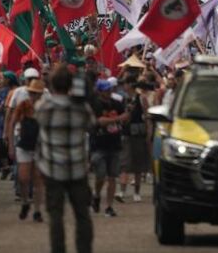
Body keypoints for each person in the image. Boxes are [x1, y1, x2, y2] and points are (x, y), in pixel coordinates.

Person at [36, 63, 94, 253]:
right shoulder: (81, 108)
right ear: (71, 85)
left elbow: (38, 119)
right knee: (82, 215)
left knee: (56, 217)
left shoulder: (44, 107)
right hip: (77, 168)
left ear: (51, 84)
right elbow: (91, 123)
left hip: (53, 170)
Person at [7, 77, 45, 222]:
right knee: (23, 178)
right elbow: (12, 123)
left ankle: (37, 210)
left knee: (38, 179)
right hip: (24, 144)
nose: (34, 96)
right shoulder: (23, 105)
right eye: (32, 93)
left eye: (36, 93)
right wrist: (11, 144)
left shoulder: (45, 107)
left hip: (39, 145)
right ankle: (24, 201)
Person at [90, 78, 128, 217]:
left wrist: (115, 119)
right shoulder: (95, 104)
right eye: (106, 90)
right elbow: (100, 121)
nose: (108, 92)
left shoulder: (116, 103)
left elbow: (126, 115)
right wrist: (117, 119)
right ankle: (96, 195)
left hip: (114, 143)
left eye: (109, 89)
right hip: (99, 144)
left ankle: (109, 206)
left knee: (112, 176)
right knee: (100, 176)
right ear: (100, 91)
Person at [117, 79, 152, 204]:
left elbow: (147, 116)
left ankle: (137, 192)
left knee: (138, 165)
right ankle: (122, 191)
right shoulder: (123, 100)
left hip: (138, 134)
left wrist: (149, 132)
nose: (124, 86)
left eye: (125, 83)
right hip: (126, 134)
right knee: (124, 163)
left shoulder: (141, 99)